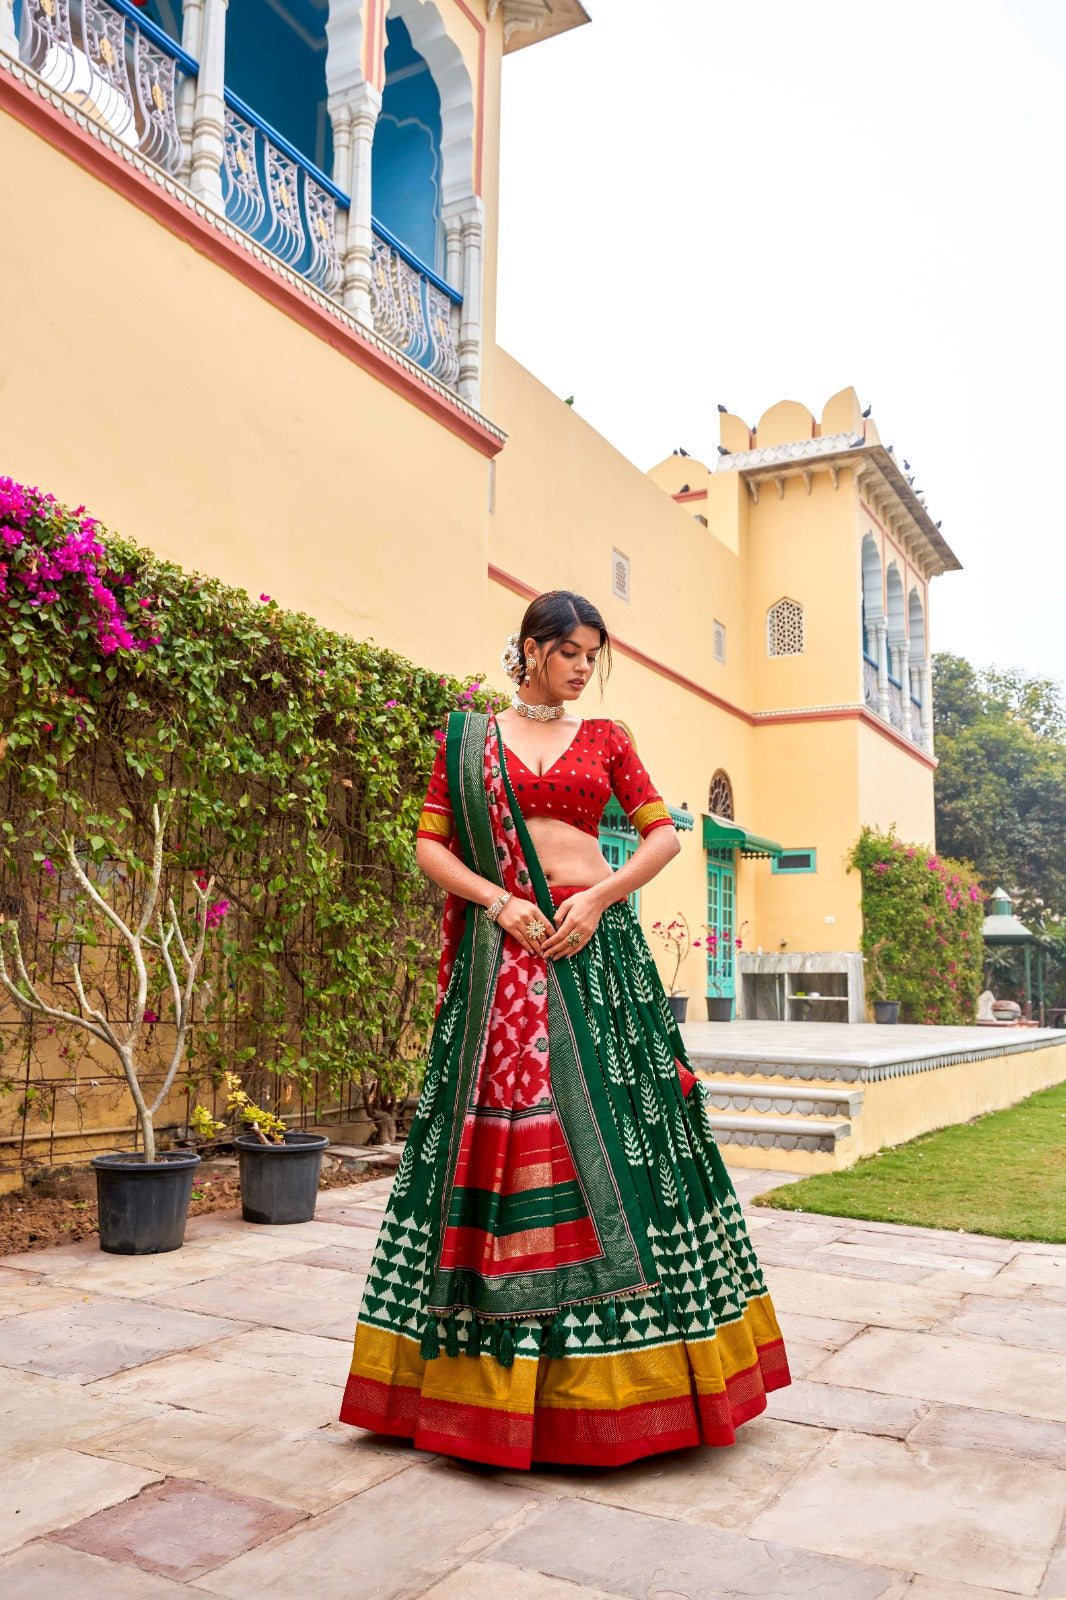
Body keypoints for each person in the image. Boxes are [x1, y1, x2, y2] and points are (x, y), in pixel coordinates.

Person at [339, 589, 791, 1469]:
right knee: (495, 1139)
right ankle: (479, 1385)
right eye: (571, 652)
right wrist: (501, 901)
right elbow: (430, 846)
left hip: (594, 948)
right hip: (502, 953)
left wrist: (596, 898)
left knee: (625, 1139)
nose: (584, 668)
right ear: (531, 648)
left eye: (593, 654)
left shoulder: (608, 739)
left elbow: (664, 837)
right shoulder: (468, 740)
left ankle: (638, 1384)